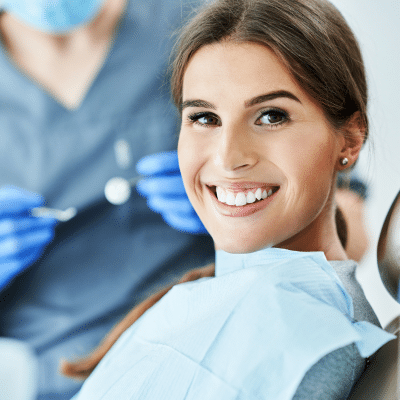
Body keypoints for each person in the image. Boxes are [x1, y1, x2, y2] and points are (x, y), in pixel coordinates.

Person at [65, 0, 395, 398]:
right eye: (204, 118)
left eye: (271, 116)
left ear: (350, 138)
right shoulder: (215, 300)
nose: (228, 158)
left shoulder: (298, 336)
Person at [0, 1, 215, 399]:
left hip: (205, 353)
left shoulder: (204, 23)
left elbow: (344, 232)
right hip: (50, 380)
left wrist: (243, 214)